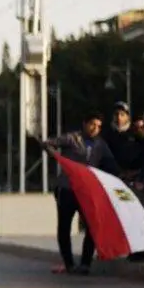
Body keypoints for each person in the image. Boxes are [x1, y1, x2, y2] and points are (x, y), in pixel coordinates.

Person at [45, 112, 121, 276]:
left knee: (92, 226)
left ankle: (85, 263)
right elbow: (48, 143)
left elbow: (111, 163)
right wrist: (57, 157)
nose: (95, 128)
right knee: (64, 227)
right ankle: (69, 263)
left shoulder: (100, 145)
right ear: (85, 123)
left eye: (99, 126)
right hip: (67, 189)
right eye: (92, 124)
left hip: (87, 192)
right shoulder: (72, 138)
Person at [102, 101, 144, 183]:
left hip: (133, 178)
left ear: (128, 117)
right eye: (116, 114)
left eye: (122, 114)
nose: (119, 117)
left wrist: (135, 172)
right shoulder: (107, 134)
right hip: (112, 177)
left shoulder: (136, 133)